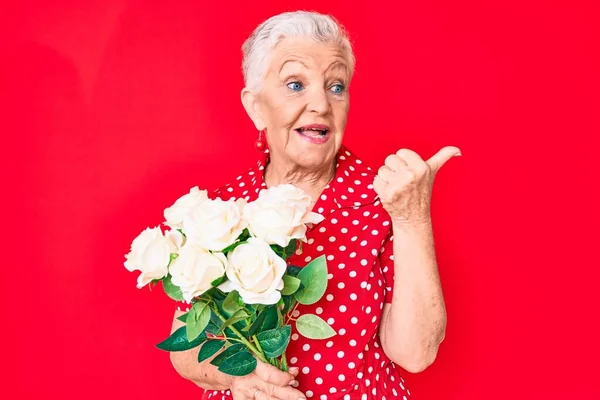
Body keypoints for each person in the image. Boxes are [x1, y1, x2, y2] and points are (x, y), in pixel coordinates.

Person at [169, 10, 460, 400]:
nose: (321, 104)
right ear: (255, 107)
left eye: (336, 86)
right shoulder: (221, 213)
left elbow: (414, 353)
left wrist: (413, 218)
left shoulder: (387, 199)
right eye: (295, 84)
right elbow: (185, 348)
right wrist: (238, 379)